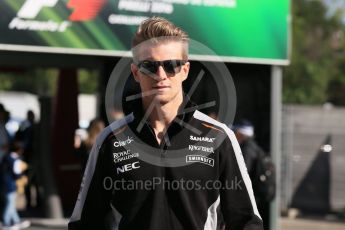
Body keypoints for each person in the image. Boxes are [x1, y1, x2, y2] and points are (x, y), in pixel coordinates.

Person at [69, 17, 263, 230]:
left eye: (171, 66)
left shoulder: (219, 137)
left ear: (185, 71)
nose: (160, 75)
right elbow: (85, 223)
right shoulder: (110, 140)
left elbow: (246, 222)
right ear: (136, 73)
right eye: (149, 66)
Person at [233, 119, 272, 230]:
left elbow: (243, 174)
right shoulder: (254, 147)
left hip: (251, 196)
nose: (234, 135)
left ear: (240, 133)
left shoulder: (247, 149)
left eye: (235, 132)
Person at [1, 138, 30, 229]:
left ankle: (16, 221)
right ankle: (6, 223)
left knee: (11, 203)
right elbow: (17, 173)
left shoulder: (5, 157)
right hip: (10, 185)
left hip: (2, 184)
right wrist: (23, 177)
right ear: (20, 150)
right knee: (10, 203)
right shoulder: (16, 160)